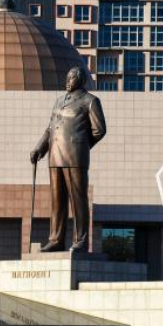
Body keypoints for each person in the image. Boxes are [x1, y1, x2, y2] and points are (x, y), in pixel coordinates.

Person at [29, 66, 106, 252]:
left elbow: (99, 130)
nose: (67, 81)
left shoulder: (90, 101)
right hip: (55, 157)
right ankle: (56, 239)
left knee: (78, 199)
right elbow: (50, 129)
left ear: (80, 80)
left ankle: (81, 240)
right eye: (67, 77)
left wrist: (80, 145)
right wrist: (40, 148)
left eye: (71, 78)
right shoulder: (58, 101)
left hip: (75, 158)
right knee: (57, 200)